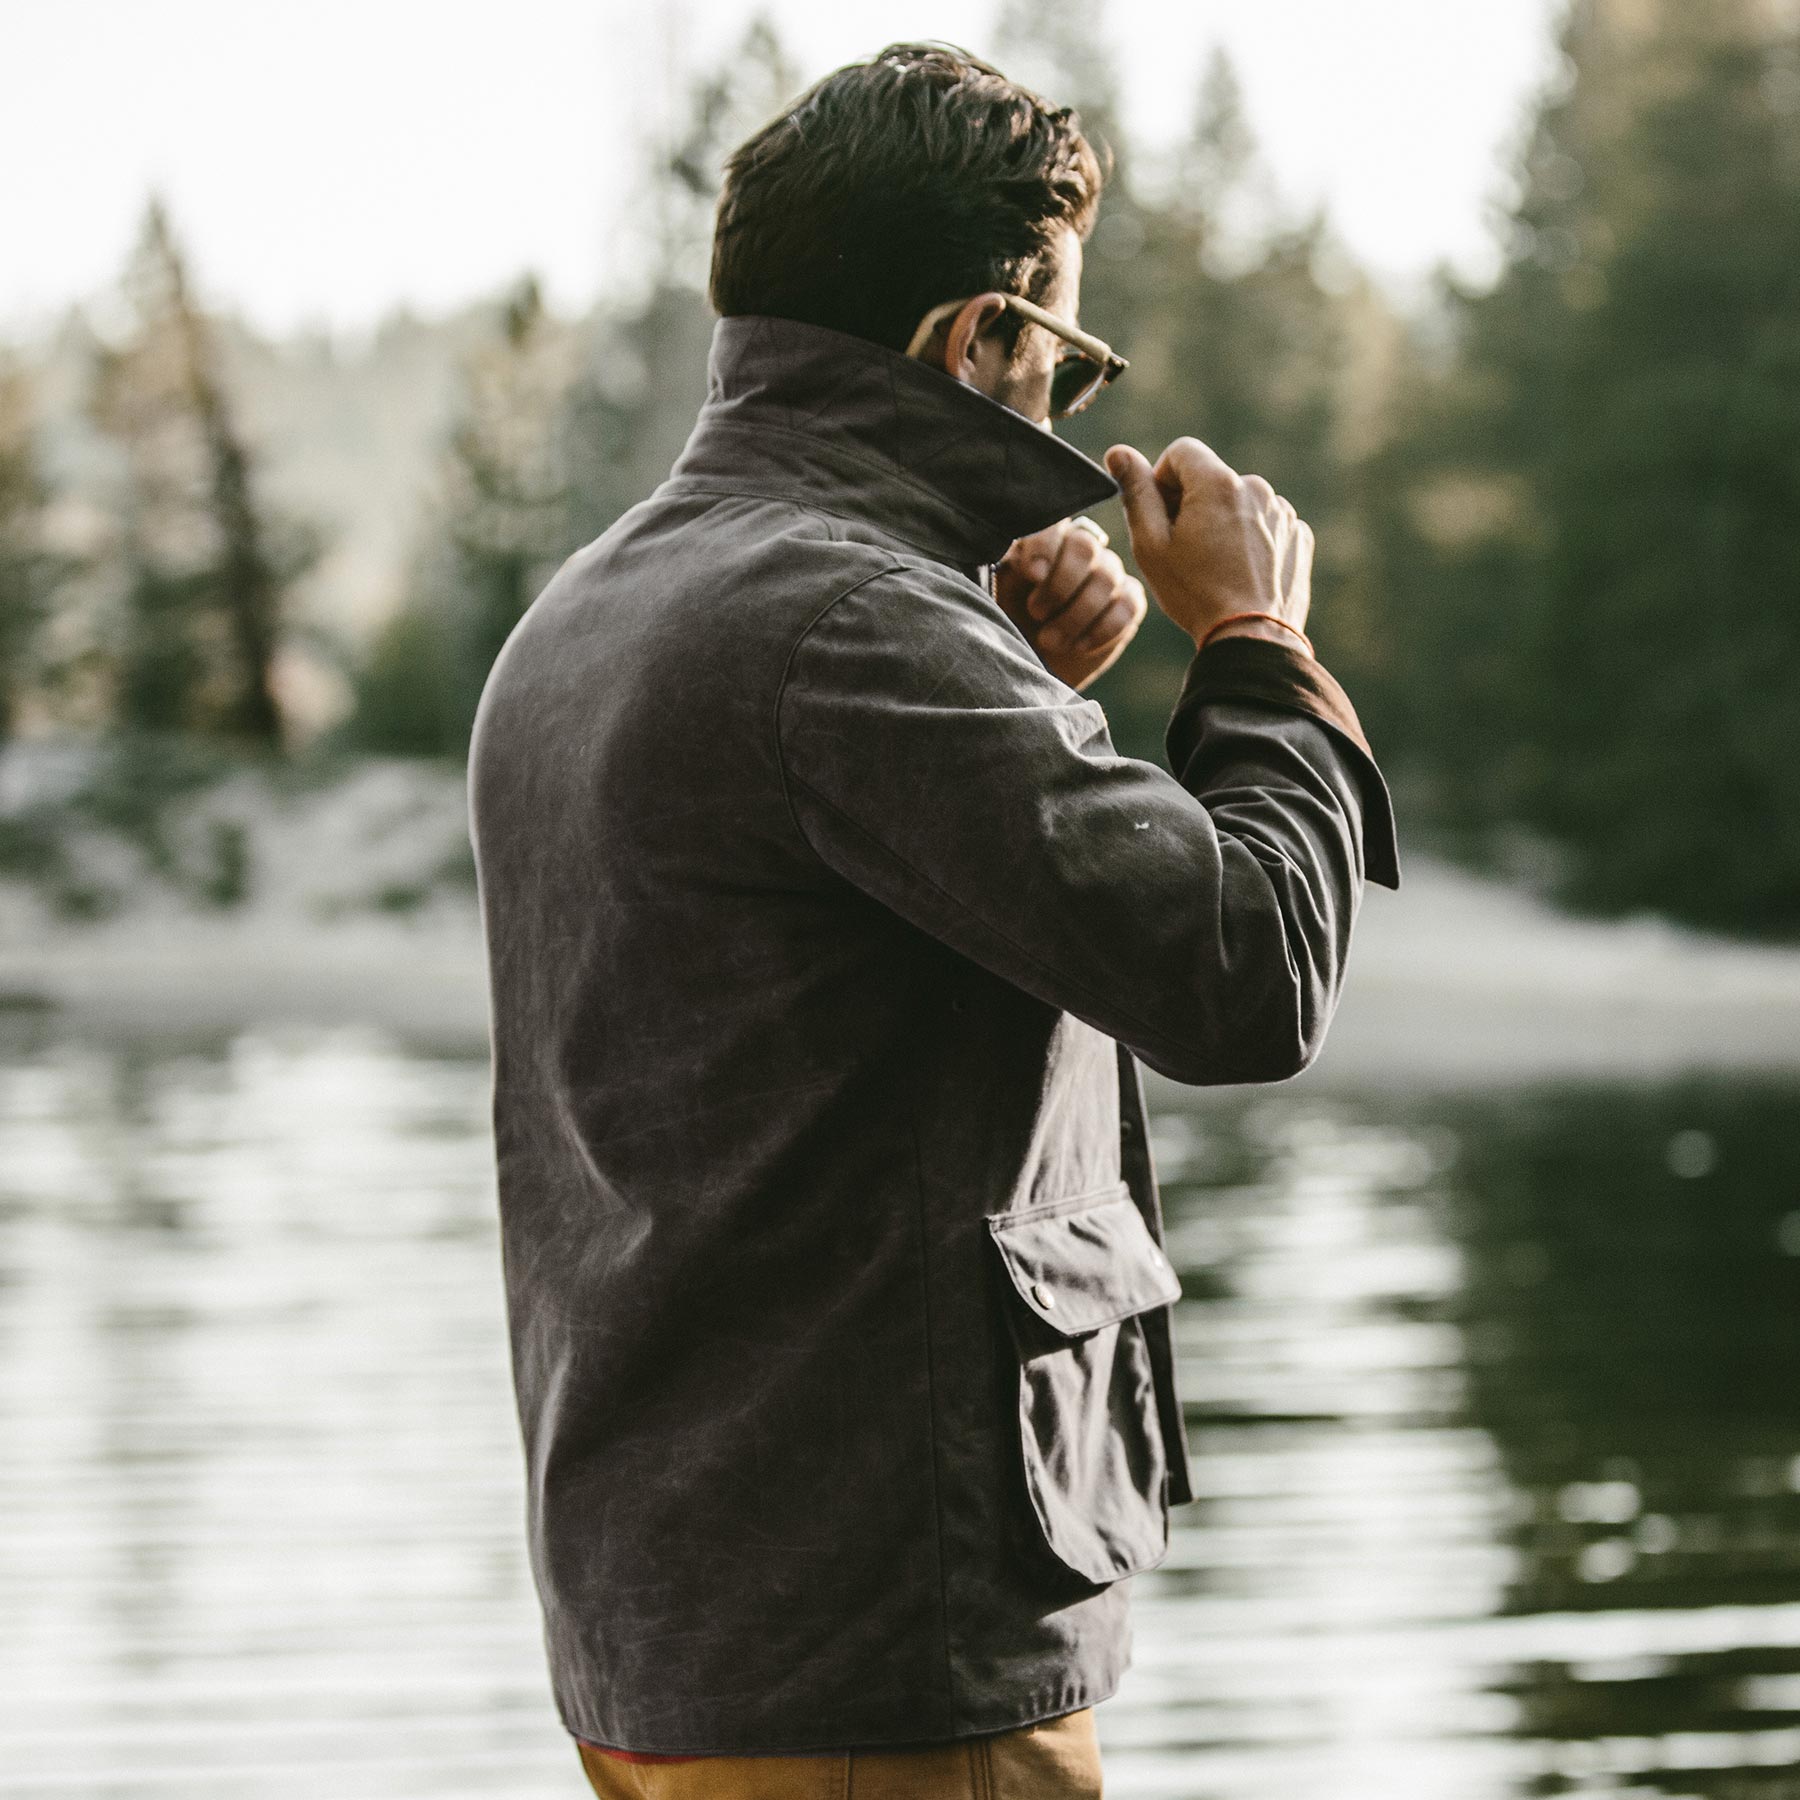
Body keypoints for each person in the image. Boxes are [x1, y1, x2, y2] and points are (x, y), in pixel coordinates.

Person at [465, 39, 1400, 1800]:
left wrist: (1021, 691)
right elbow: (1250, 977)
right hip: (888, 1657)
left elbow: (787, 1002)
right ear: (977, 341)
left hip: (665, 1634)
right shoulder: (851, 630)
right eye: (1067, 362)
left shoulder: (591, 611)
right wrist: (1260, 646)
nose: (1064, 417)